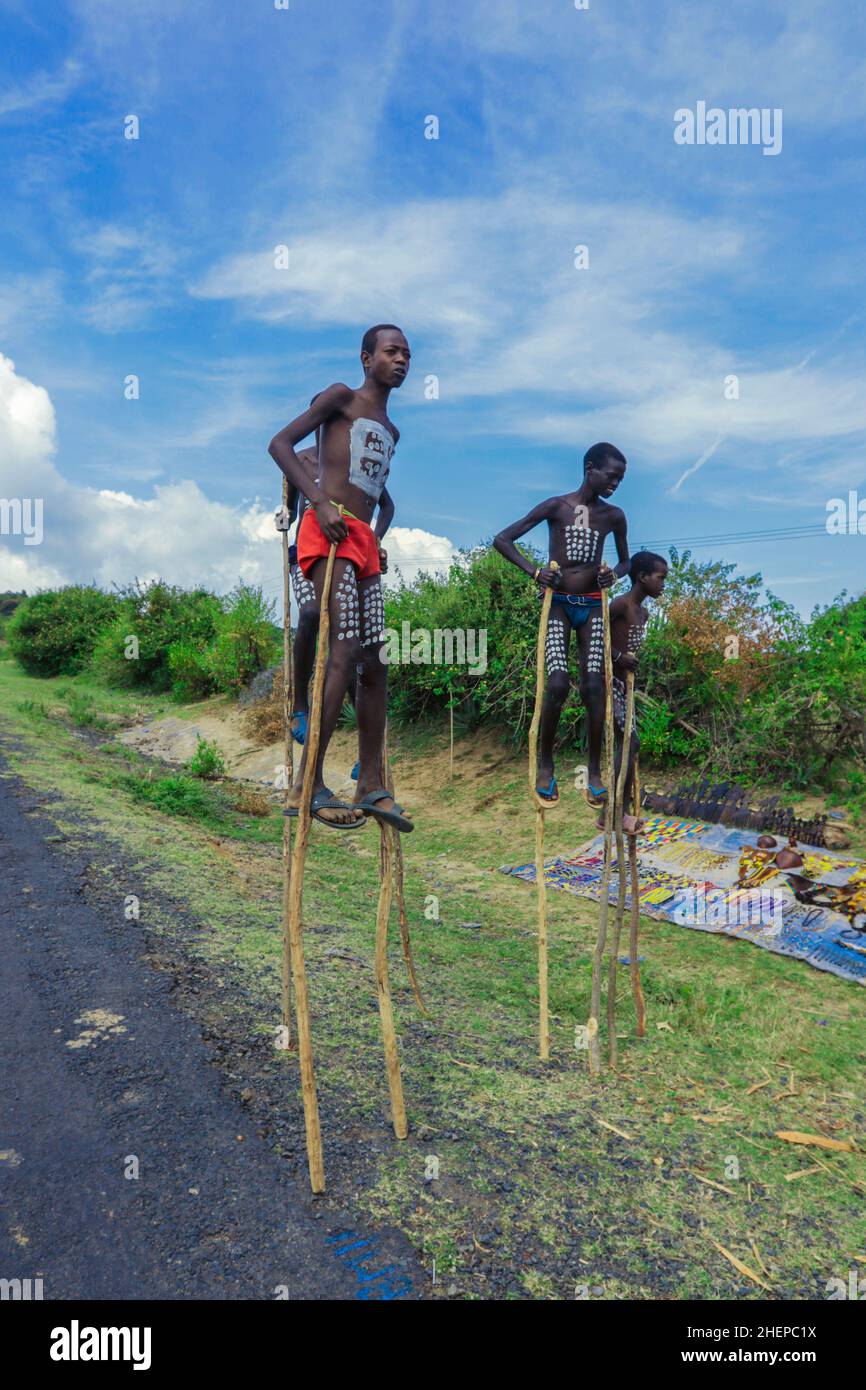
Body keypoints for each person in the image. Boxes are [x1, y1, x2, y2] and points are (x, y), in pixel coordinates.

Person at [268, 324, 412, 831]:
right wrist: (318, 502)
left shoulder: (391, 430)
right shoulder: (341, 397)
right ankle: (309, 782)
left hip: (362, 543)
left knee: (376, 662)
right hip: (328, 532)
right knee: (343, 651)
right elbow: (280, 444)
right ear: (366, 357)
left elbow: (376, 495)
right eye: (391, 352)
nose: (401, 360)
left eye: (406, 354)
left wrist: (375, 538)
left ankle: (371, 782)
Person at [493, 443, 631, 806]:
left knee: (593, 687)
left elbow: (626, 563)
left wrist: (611, 576)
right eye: (611, 476)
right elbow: (502, 539)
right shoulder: (557, 507)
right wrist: (535, 572)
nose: (616, 484)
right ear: (590, 468)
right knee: (556, 682)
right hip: (556, 606)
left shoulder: (614, 516)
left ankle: (595, 774)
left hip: (592, 608)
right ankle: (546, 765)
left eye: (620, 479)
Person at [285, 434, 395, 773]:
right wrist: (283, 521)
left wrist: (374, 542)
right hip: (307, 552)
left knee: (352, 645)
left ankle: (366, 754)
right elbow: (290, 511)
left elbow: (386, 505)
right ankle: (300, 703)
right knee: (310, 613)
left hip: (350, 553)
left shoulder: (355, 461)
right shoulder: (299, 462)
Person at [604, 550, 668, 833]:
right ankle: (611, 812)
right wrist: (619, 659)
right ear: (642, 577)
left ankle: (621, 811)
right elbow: (593, 640)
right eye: (660, 578)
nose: (663, 584)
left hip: (626, 687)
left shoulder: (644, 613)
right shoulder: (619, 605)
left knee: (631, 744)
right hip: (607, 683)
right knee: (630, 742)